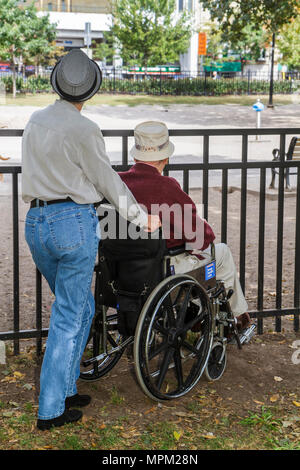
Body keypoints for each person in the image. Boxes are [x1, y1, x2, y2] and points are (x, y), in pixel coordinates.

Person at [22, 50, 160, 431]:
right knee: (70, 315)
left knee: (79, 308)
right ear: (89, 90)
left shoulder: (35, 119)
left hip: (36, 220)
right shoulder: (84, 128)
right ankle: (50, 409)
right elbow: (107, 181)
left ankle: (66, 388)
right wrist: (138, 216)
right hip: (72, 223)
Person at [118, 121, 251, 331]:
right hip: (164, 269)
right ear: (165, 158)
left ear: (135, 156)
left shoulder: (118, 182)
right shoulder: (166, 187)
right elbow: (201, 236)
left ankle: (202, 311)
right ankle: (234, 316)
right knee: (221, 252)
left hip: (123, 269)